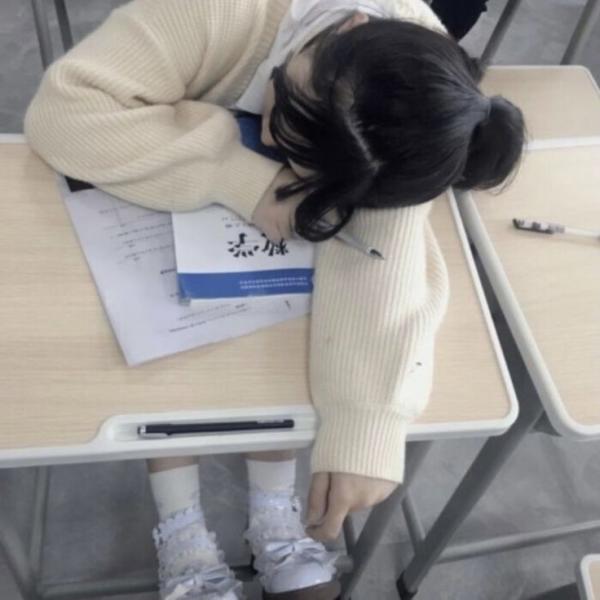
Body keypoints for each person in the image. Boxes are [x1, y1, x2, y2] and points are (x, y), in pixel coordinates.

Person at [24, 0, 525, 598]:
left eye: (299, 149)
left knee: (285, 345)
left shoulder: (411, 89)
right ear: (350, 25)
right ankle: (180, 524)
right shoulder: (208, 11)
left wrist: (368, 424)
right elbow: (62, 114)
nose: (267, 134)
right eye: (283, 101)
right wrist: (247, 177)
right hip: (146, 190)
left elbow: (382, 256)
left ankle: (272, 508)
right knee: (163, 357)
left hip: (234, 217)